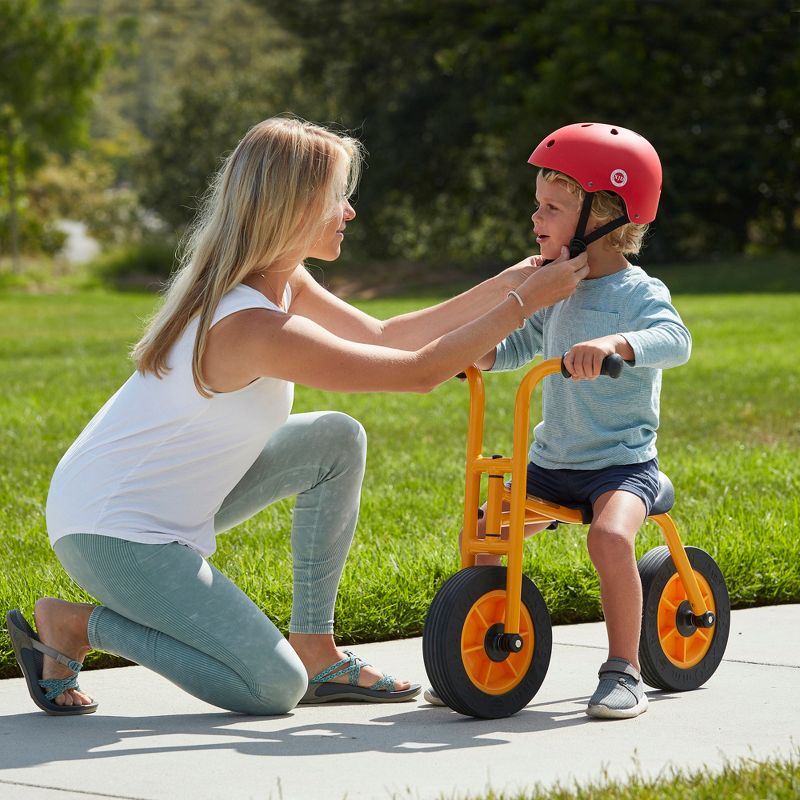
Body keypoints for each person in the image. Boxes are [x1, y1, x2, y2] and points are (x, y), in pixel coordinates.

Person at [6, 116, 590, 716]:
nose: (349, 211)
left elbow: (387, 336)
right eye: (339, 196)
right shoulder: (250, 326)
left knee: (334, 439)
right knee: (271, 688)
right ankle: (73, 626)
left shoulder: (281, 282)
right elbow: (414, 373)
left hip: (163, 505)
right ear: (295, 206)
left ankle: (317, 647)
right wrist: (523, 305)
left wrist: (509, 282)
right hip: (114, 531)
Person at [425, 122, 691, 719]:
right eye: (537, 206)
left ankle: (624, 670)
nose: (535, 219)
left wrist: (616, 345)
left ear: (604, 213)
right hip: (549, 465)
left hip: (620, 467)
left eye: (552, 207)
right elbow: (520, 345)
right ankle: (475, 656)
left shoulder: (638, 291)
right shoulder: (558, 286)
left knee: (609, 536)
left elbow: (675, 338)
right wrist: (472, 355)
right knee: (486, 532)